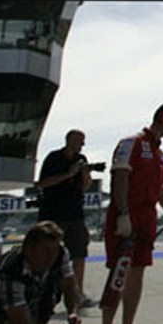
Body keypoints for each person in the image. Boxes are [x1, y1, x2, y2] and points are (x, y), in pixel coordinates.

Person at [97, 101, 163, 324]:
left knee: (137, 273)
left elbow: (162, 189)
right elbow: (120, 177)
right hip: (125, 217)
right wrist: (123, 214)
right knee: (119, 272)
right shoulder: (131, 143)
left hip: (147, 219)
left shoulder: (159, 155)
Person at [37, 128, 96, 306]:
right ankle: (42, 292)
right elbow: (43, 183)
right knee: (49, 254)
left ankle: (77, 293)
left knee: (79, 253)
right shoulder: (53, 158)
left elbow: (84, 186)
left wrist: (85, 174)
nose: (82, 145)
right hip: (54, 213)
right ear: (70, 140)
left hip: (75, 214)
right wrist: (68, 174)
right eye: (80, 141)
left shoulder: (81, 159)